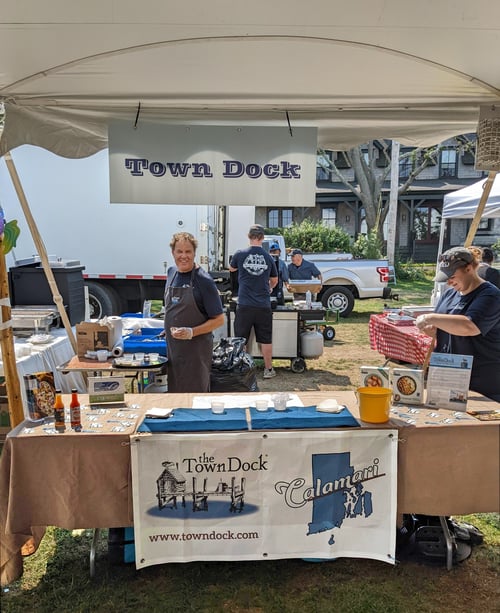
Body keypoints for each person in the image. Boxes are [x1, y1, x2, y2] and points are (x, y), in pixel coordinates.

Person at [415, 246, 500, 401]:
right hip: (449, 378)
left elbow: (469, 326)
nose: (449, 282)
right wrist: (433, 330)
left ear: (469, 269)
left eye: (452, 276)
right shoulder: (449, 294)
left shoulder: (491, 295)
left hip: (482, 385)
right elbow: (447, 328)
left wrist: (430, 318)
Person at [164, 232, 225, 393]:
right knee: (176, 396)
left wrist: (191, 332)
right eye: (179, 251)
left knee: (195, 400)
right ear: (173, 253)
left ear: (194, 253)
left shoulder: (203, 280)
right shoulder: (171, 273)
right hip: (174, 351)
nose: (183, 256)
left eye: (188, 252)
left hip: (195, 355)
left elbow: (219, 320)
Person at [229, 224, 278, 379]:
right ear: (262, 238)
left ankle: (241, 369)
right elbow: (275, 279)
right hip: (263, 305)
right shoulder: (269, 257)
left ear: (248, 236)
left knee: (241, 338)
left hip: (244, 304)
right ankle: (268, 369)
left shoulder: (240, 254)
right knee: (265, 338)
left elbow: (231, 269)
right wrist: (269, 288)